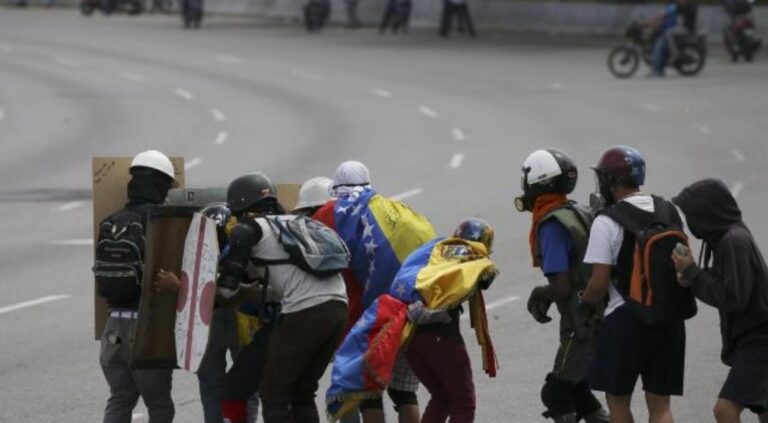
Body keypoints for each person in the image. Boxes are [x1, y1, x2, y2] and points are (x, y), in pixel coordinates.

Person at [217, 171, 348, 423]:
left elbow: (226, 290)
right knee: (302, 392)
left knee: (274, 393)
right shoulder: (297, 223)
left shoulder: (249, 229)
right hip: (337, 309)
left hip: (305, 311)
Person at [315, 160, 436, 423]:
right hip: (407, 309)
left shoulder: (329, 213)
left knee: (369, 392)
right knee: (404, 393)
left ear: (336, 188)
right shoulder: (394, 211)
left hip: (366, 318)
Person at [580, 146, 689, 423]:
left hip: (625, 320)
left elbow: (600, 281)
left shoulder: (606, 220)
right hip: (669, 318)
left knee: (618, 401)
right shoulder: (668, 210)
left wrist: (584, 300)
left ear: (611, 181)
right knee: (660, 405)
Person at [515, 149, 610, 423]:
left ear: (538, 184)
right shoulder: (577, 211)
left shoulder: (552, 224)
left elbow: (561, 286)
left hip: (582, 323)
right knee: (577, 387)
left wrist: (538, 294)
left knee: (556, 393)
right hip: (601, 315)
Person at [672, 178, 768, 423]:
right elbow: (725, 281)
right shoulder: (725, 238)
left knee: (725, 410)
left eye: (692, 214)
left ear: (707, 213)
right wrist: (691, 276)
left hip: (760, 340)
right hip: (753, 338)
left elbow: (734, 297)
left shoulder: (732, 241)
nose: (689, 221)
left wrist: (693, 273)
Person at [96, 150, 176, 423]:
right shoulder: (162, 221)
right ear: (161, 184)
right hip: (146, 330)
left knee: (120, 398)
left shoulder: (110, 221)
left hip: (113, 329)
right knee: (159, 405)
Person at [404, 218, 497, 423]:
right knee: (463, 402)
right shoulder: (461, 252)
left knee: (442, 398)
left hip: (410, 335)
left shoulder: (435, 250)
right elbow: (486, 274)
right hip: (440, 337)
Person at [646, 0, 689, 77]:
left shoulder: (673, 6)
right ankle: (660, 70)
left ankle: (656, 71)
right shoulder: (670, 6)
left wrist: (653, 20)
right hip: (666, 31)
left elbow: (662, 15)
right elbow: (663, 17)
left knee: (658, 48)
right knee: (657, 45)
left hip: (671, 32)